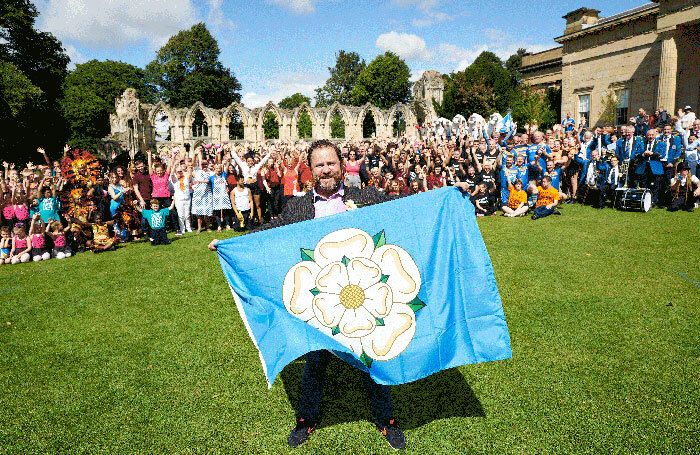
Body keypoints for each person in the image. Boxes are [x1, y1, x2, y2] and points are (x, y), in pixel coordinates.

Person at [208, 140, 475, 450]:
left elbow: (405, 209)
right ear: (310, 170)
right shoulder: (298, 207)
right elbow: (272, 230)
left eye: (330, 163)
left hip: (367, 293)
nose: (325, 170)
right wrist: (230, 246)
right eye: (319, 165)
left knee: (373, 355)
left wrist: (444, 197)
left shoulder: (366, 197)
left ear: (341, 165)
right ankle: (306, 420)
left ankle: (386, 419)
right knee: (316, 358)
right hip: (321, 299)